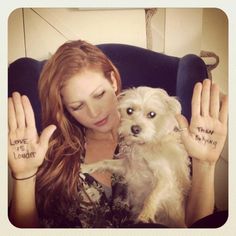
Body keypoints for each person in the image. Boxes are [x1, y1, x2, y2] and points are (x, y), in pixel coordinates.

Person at [8, 40, 228, 228]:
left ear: (113, 81)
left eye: (99, 94)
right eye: (77, 106)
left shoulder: (167, 137)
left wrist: (204, 165)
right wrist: (24, 176)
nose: (95, 112)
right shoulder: (52, 149)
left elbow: (194, 225)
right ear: (64, 107)